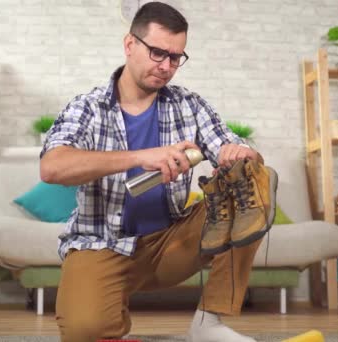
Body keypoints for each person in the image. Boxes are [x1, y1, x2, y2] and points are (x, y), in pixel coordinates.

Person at [40, 2, 277, 341]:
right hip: (100, 245)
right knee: (85, 331)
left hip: (172, 242)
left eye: (175, 57)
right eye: (157, 53)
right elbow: (52, 167)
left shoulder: (188, 104)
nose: (166, 66)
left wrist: (240, 153)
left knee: (256, 179)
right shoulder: (88, 107)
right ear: (129, 45)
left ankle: (209, 324)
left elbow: (241, 152)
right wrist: (140, 157)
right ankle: (111, 324)